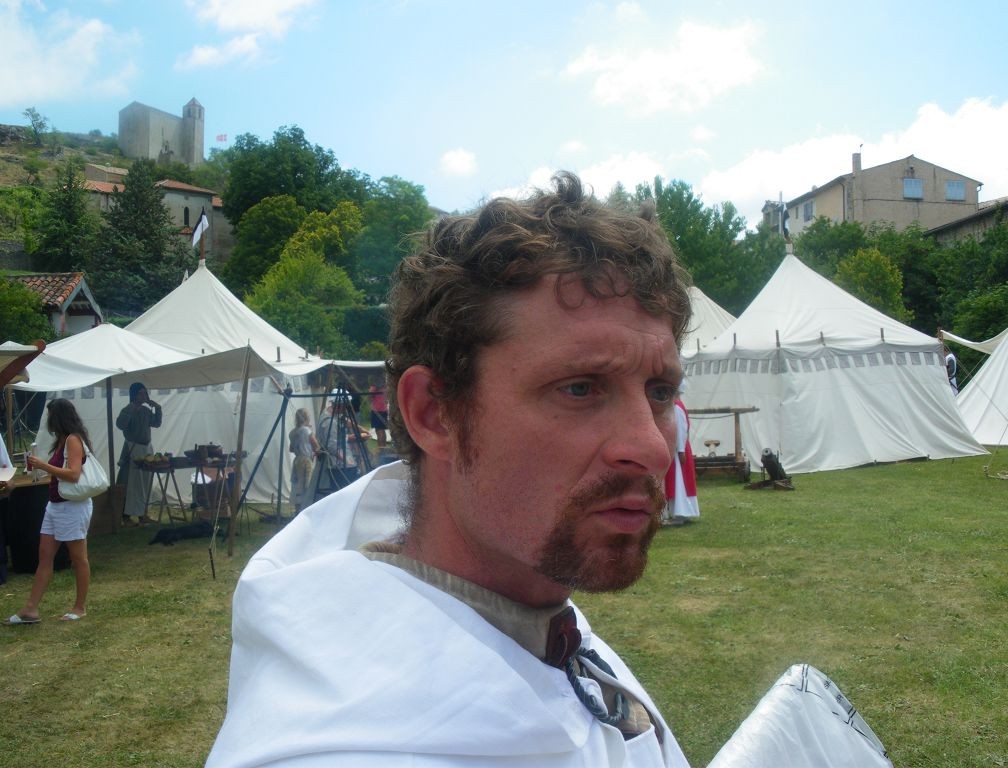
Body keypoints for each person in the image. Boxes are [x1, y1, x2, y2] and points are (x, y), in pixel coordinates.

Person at [207, 172, 693, 767]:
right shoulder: (344, 751)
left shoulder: (539, 624)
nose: (651, 447)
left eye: (660, 391)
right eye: (580, 388)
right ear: (433, 414)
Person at [6, 399, 94, 624]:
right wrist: (44, 470)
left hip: (72, 506)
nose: (48, 420)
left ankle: (80, 607)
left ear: (59, 417)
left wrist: (43, 466)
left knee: (78, 557)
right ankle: (30, 609)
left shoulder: (73, 440)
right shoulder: (62, 440)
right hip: (55, 505)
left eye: (50, 415)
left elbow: (73, 474)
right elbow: (61, 472)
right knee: (44, 556)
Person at [115, 382, 162, 526]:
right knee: (130, 484)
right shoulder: (127, 409)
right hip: (133, 450)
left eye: (144, 393)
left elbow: (156, 423)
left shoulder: (146, 411)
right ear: (134, 395)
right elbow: (120, 425)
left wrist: (157, 408)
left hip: (146, 449)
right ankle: (125, 516)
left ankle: (143, 515)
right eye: (140, 393)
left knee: (144, 484)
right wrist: (131, 410)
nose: (143, 396)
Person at [664, 394, 699, 524]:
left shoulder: (677, 407)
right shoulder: (676, 405)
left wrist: (680, 450)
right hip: (678, 448)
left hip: (679, 449)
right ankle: (679, 513)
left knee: (679, 481)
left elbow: (681, 429)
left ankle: (680, 514)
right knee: (678, 481)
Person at [287, 408, 319, 514]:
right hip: (306, 460)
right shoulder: (307, 430)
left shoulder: (292, 432)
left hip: (297, 460)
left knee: (298, 486)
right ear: (306, 418)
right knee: (307, 486)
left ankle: (298, 510)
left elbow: (291, 449)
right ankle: (306, 509)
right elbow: (315, 445)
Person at [368, 381, 388, 447]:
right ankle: (383, 447)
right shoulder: (385, 386)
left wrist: (371, 390)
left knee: (379, 430)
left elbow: (369, 396)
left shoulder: (375, 387)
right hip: (384, 410)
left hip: (377, 410)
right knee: (381, 430)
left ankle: (381, 447)